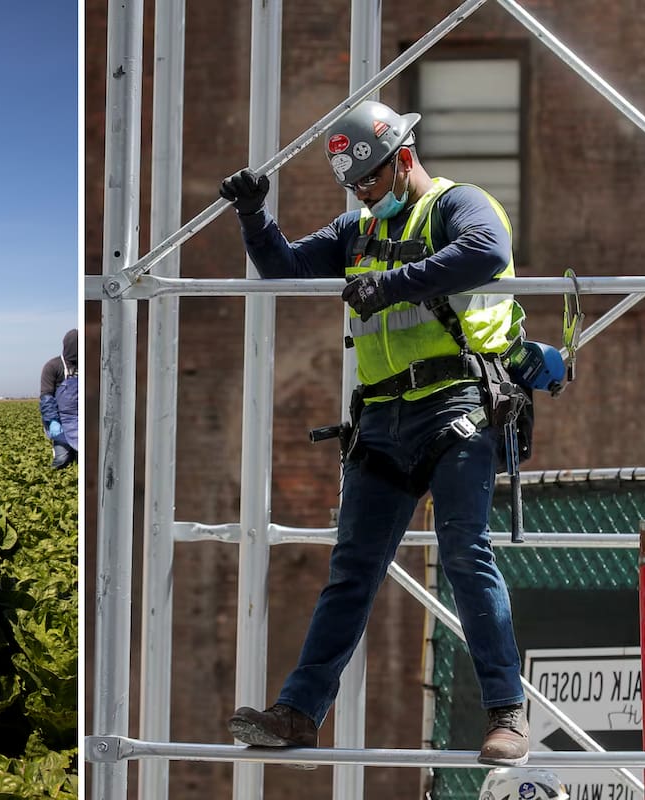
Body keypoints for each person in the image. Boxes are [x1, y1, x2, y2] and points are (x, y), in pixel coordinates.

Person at [219, 100, 530, 766]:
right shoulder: (356, 228)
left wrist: (393, 285)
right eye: (353, 185)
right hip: (382, 420)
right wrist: (253, 216)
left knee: (464, 554)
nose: (363, 193)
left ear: (403, 159)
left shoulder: (458, 205)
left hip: (456, 408)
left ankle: (507, 714)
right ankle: (299, 712)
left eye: (370, 179)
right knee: (351, 571)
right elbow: (285, 272)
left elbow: (488, 251)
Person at [39, 328, 78, 468]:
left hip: (79, 420)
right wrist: (53, 421)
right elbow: (46, 398)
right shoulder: (53, 366)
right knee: (62, 458)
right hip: (60, 420)